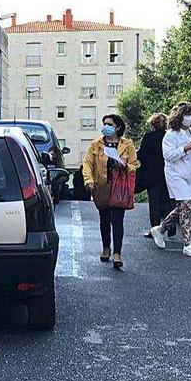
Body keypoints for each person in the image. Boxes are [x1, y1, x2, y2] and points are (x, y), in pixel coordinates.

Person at [150, 102, 191, 257]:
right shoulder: (170, 135)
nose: (189, 118)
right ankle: (188, 243)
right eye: (186, 114)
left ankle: (160, 229)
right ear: (179, 116)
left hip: (190, 174)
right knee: (185, 205)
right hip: (176, 175)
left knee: (184, 207)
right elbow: (168, 156)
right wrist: (186, 148)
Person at [82, 114, 139, 270]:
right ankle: (106, 247)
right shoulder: (96, 144)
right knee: (105, 218)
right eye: (104, 124)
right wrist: (89, 180)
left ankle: (117, 254)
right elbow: (87, 163)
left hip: (119, 187)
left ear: (118, 127)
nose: (105, 127)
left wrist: (125, 165)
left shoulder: (127, 144)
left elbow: (134, 165)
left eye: (109, 124)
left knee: (118, 220)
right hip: (102, 186)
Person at [137, 113, 172, 238]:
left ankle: (154, 229)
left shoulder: (149, 137)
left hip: (151, 175)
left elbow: (141, 155)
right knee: (166, 201)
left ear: (153, 125)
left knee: (154, 204)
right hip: (167, 174)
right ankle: (170, 224)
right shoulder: (169, 137)